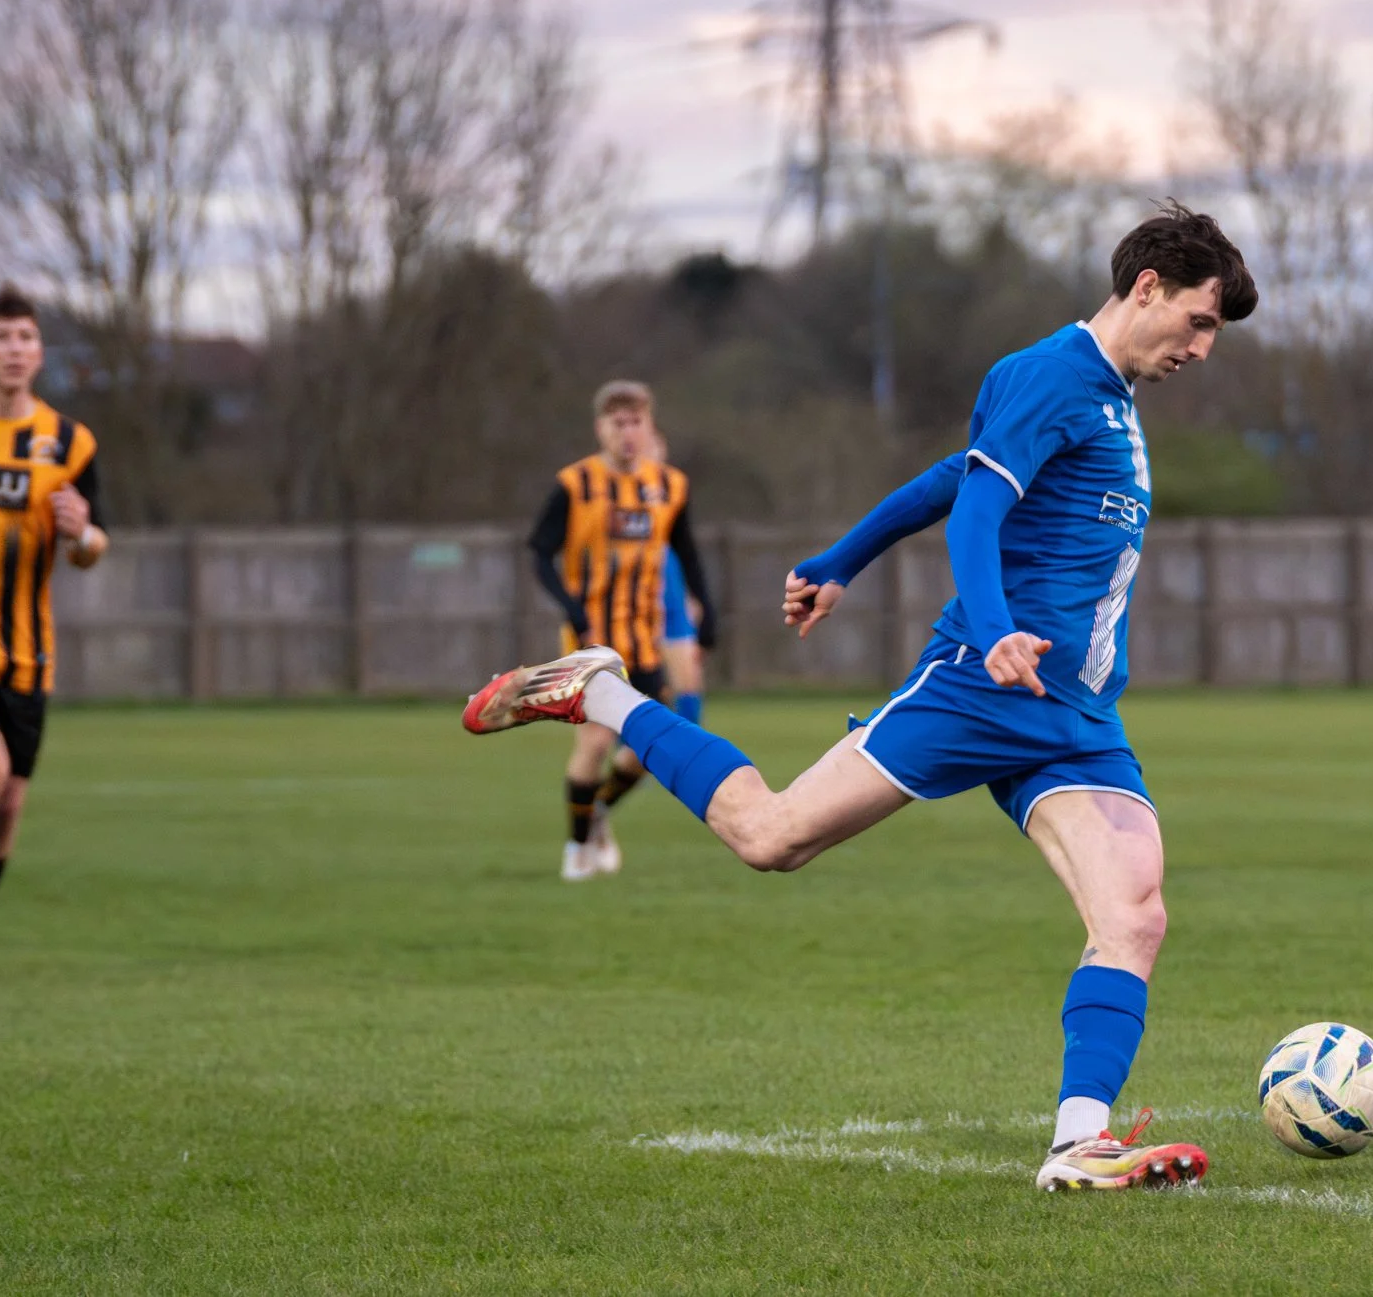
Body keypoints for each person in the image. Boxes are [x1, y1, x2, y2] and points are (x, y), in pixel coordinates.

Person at [464, 203, 1258, 1190]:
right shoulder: (1053, 372)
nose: (1203, 348)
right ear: (1147, 286)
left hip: (1075, 718)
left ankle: (1076, 1146)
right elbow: (978, 506)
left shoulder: (1106, 399)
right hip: (981, 687)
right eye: (1199, 320)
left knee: (1133, 915)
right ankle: (601, 693)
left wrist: (843, 559)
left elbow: (946, 477)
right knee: (770, 837)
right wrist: (995, 618)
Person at [526, 383, 716, 881]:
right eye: (617, 422)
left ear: (649, 427)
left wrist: (707, 608)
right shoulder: (575, 485)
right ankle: (576, 847)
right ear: (600, 428)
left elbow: (688, 552)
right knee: (592, 744)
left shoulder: (669, 486)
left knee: (650, 750)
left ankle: (597, 812)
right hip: (590, 646)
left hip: (643, 640)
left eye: (636, 422)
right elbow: (538, 551)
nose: (627, 432)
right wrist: (570, 606)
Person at [0, 286, 108, 925]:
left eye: (26, 337)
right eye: (1, 336)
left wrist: (80, 530)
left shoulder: (68, 442)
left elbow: (94, 547)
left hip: (28, 651)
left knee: (4, 811)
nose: (15, 349)